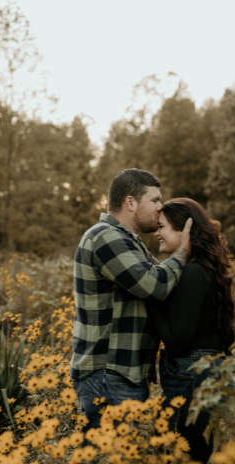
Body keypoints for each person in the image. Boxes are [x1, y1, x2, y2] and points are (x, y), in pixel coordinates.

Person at [70, 169, 192, 435]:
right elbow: (156, 285)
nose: (161, 208)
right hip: (109, 373)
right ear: (130, 203)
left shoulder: (128, 241)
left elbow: (166, 281)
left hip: (121, 373)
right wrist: (184, 249)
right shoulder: (105, 237)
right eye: (155, 200)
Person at [147, 198, 235, 464]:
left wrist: (151, 298)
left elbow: (177, 340)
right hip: (206, 374)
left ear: (185, 231)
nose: (156, 233)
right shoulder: (205, 271)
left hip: (192, 377)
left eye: (162, 226)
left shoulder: (192, 274)